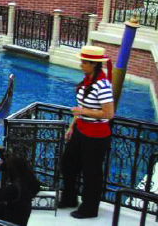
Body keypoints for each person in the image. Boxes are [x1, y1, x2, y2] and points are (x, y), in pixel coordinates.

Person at [59, 45, 114, 219]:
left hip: (97, 136)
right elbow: (82, 108)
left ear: (93, 65)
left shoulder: (103, 85)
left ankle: (90, 208)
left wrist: (82, 113)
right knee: (68, 164)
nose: (81, 65)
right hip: (81, 130)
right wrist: (71, 126)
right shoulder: (86, 82)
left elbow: (108, 113)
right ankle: (69, 198)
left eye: (84, 62)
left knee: (91, 172)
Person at [0, 155, 41, 226]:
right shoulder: (26, 182)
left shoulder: (15, 188)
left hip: (11, 222)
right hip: (20, 219)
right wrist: (4, 165)